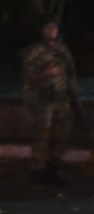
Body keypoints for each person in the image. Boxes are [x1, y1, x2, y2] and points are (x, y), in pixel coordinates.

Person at [21, 15, 79, 186]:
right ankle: (37, 171)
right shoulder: (35, 51)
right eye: (48, 28)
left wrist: (73, 95)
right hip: (43, 100)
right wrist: (45, 74)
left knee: (61, 136)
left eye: (54, 28)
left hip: (63, 99)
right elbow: (27, 77)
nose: (52, 31)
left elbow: (71, 74)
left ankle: (54, 169)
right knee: (42, 136)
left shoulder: (63, 50)